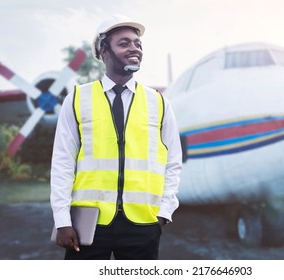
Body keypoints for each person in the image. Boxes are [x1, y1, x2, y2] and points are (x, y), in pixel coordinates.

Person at [50, 14, 182, 260]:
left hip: (143, 224)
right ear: (104, 51)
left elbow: (173, 160)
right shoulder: (77, 99)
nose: (134, 49)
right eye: (124, 43)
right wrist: (61, 219)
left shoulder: (159, 102)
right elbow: (62, 162)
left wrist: (165, 210)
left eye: (138, 44)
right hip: (87, 224)